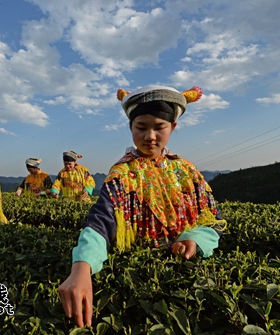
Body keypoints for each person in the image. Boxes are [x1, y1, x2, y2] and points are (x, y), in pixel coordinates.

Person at [57, 85, 226, 327]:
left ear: (173, 127)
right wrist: (82, 268)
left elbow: (213, 219)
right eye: (141, 127)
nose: (150, 136)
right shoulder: (122, 173)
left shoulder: (187, 171)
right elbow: (100, 222)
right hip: (138, 280)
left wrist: (194, 240)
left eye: (159, 127)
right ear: (130, 127)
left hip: (188, 280)